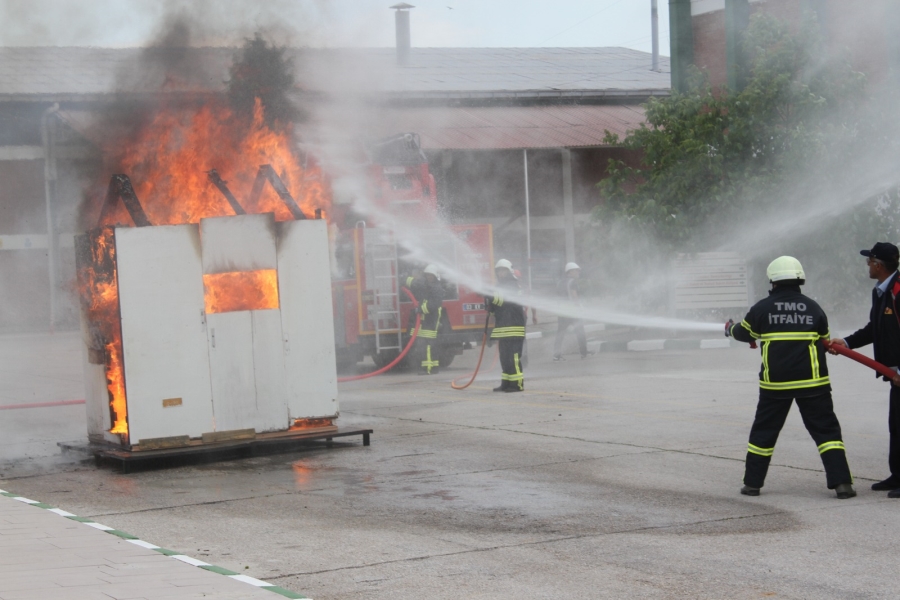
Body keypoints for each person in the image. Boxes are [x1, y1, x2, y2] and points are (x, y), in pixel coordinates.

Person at [727, 256, 855, 499]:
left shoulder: (762, 308)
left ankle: (752, 484)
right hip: (813, 382)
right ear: (799, 280)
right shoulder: (814, 308)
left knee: (763, 433)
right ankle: (842, 485)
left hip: (775, 384)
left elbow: (744, 333)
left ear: (773, 281)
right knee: (827, 433)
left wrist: (729, 329)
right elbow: (824, 339)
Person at [828, 242, 900, 496]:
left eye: (869, 261)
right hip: (895, 375)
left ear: (878, 265)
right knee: (896, 424)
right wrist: (845, 342)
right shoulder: (881, 291)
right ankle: (897, 475)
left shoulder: (898, 290)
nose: (867, 265)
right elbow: (874, 329)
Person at [486, 259, 526, 392]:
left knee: (513, 357)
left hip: (514, 327)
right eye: (499, 271)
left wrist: (489, 295)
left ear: (509, 272)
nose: (501, 273)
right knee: (504, 358)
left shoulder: (512, 284)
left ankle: (517, 384)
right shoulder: (499, 286)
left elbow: (502, 299)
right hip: (503, 328)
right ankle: (506, 383)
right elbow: (495, 307)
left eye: (503, 270)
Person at [406, 264, 444, 375]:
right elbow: (413, 283)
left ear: (435, 277)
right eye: (427, 275)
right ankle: (430, 368)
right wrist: (403, 279)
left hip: (432, 320)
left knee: (429, 345)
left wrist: (420, 309)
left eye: (431, 276)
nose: (429, 277)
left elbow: (434, 304)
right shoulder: (424, 285)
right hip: (424, 320)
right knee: (423, 343)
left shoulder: (437, 289)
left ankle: (429, 369)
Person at [553, 262, 593, 361]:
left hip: (562, 312)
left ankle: (556, 356)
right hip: (572, 312)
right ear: (570, 272)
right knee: (580, 332)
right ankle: (584, 353)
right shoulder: (572, 282)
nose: (578, 272)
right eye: (576, 270)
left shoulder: (559, 282)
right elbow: (574, 297)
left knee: (560, 334)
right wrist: (580, 308)